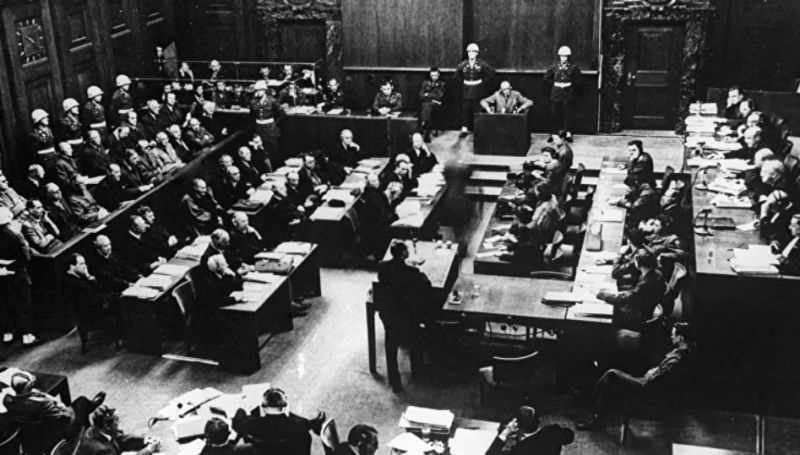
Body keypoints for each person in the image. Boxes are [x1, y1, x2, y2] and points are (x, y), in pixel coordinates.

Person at [578, 322, 694, 430]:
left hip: (646, 388)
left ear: (681, 338)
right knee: (612, 376)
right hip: (648, 382)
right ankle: (595, 411)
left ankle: (595, 413)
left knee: (611, 374)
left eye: (673, 335)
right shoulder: (683, 351)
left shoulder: (676, 360)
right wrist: (655, 370)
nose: (671, 337)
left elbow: (657, 383)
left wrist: (651, 374)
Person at [4, 370, 105, 454]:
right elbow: (65, 416)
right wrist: (60, 405)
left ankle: (89, 407)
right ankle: (88, 414)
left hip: (34, 433)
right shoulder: (42, 402)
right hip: (57, 431)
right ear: (28, 386)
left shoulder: (7, 401)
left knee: (81, 405)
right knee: (81, 402)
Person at [376, 240, 432, 391]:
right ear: (403, 254)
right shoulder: (412, 272)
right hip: (407, 316)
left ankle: (395, 383)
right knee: (416, 338)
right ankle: (417, 372)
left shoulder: (382, 267)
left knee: (391, 347)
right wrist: (422, 274)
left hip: (389, 315)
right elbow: (425, 286)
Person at [232, 387, 325, 455]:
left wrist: (242, 408)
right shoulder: (299, 425)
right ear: (284, 405)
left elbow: (236, 423)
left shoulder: (251, 423)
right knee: (306, 436)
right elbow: (307, 424)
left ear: (263, 406)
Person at [597, 249, 665, 331]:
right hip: (647, 306)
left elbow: (625, 299)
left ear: (639, 263)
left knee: (608, 312)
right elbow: (634, 294)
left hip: (640, 313)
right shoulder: (656, 273)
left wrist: (602, 294)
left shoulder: (645, 284)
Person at [64, 253, 122, 346]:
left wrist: (88, 276)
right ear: (72, 266)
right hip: (89, 313)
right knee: (120, 302)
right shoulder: (72, 283)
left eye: (85, 263)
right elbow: (92, 299)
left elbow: (96, 290)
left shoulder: (78, 276)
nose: (85, 266)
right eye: (81, 264)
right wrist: (111, 297)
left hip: (93, 304)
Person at [0, 207, 37, 346]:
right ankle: (27, 336)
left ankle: (7, 335)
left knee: (5, 305)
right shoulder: (16, 236)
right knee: (23, 304)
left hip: (1, 276)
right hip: (17, 274)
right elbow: (25, 257)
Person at [192, 254, 243, 345]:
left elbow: (233, 287)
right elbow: (216, 300)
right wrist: (234, 299)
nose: (227, 265)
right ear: (218, 267)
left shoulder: (217, 274)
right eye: (224, 265)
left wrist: (233, 275)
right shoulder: (209, 281)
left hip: (215, 305)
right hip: (209, 312)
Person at [485, 406, 574, 455]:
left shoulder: (520, 450)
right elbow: (570, 435)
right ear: (539, 422)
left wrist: (504, 434)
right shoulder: (553, 431)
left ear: (518, 427)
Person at [76, 405, 159, 455]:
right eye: (117, 420)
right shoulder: (101, 450)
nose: (119, 422)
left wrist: (144, 440)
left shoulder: (97, 429)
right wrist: (148, 450)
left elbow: (119, 438)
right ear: (107, 425)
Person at [455, 43, 494, 136]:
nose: (471, 54)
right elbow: (457, 76)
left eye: (473, 52)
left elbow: (491, 74)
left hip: (478, 89)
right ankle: (464, 128)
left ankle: (477, 128)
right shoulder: (463, 64)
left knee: (477, 108)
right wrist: (463, 83)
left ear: (477, 53)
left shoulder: (482, 64)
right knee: (465, 109)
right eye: (469, 52)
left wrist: (483, 83)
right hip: (466, 90)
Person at [544, 45, 581, 140]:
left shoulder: (573, 67)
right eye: (561, 56)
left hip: (567, 93)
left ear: (568, 57)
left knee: (567, 113)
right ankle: (554, 133)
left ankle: (568, 132)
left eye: (565, 56)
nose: (563, 58)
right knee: (554, 113)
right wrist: (555, 85)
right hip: (556, 93)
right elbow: (546, 78)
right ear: (559, 56)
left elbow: (578, 80)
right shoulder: (554, 66)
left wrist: (570, 87)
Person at [360, 181, 403, 259]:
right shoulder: (378, 202)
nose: (398, 197)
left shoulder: (382, 196)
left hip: (375, 228)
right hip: (373, 233)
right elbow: (383, 220)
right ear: (393, 193)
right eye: (398, 194)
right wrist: (397, 215)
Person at [250, 80, 284, 162]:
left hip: (270, 129)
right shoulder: (253, 101)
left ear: (264, 90)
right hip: (259, 128)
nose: (258, 92)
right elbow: (251, 116)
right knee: (261, 151)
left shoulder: (272, 100)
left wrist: (274, 124)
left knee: (273, 150)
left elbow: (282, 114)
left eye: (260, 90)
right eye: (257, 90)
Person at [418, 67, 445, 142]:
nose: (434, 77)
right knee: (427, 107)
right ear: (430, 75)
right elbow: (420, 95)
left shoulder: (441, 83)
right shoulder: (425, 82)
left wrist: (427, 95)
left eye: (436, 75)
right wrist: (432, 97)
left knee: (426, 107)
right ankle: (427, 133)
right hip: (429, 103)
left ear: (438, 75)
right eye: (432, 75)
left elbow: (440, 96)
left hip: (436, 105)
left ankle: (424, 126)